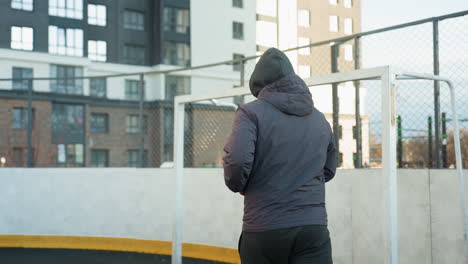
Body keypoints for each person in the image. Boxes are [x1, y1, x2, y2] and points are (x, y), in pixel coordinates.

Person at [223, 48, 337, 264]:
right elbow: (329, 169)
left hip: (265, 228)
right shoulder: (319, 118)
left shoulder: (250, 113)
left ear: (259, 85)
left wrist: (241, 185)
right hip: (313, 229)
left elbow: (237, 163)